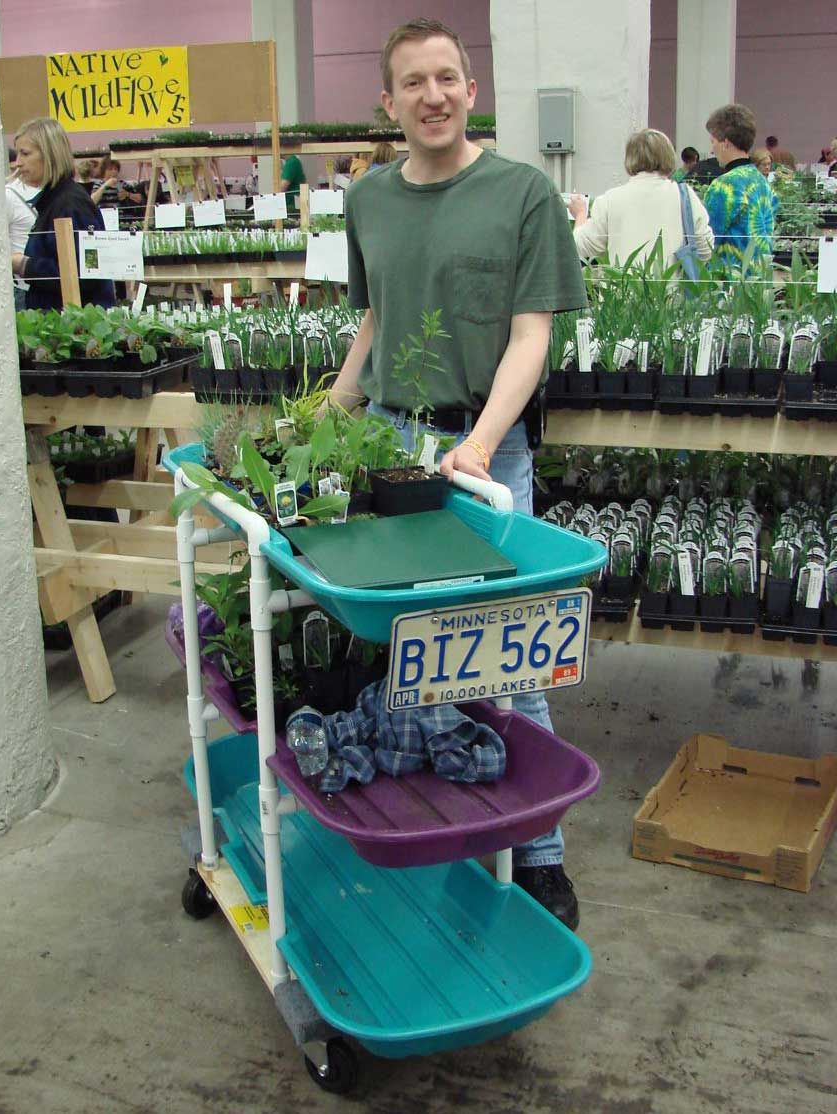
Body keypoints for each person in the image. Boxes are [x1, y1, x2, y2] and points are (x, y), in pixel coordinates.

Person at [331, 18, 588, 929]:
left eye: (447, 78)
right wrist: (332, 408)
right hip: (395, 448)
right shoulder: (367, 199)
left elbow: (533, 334)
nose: (432, 96)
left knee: (510, 657)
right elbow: (375, 320)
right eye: (414, 83)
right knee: (411, 643)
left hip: (486, 456)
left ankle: (543, 857)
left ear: (471, 90)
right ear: (390, 102)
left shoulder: (521, 193)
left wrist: (479, 443)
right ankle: (446, 816)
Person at [569, 129, 714, 269]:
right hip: (672, 292)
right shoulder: (685, 196)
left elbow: (581, 247)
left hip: (623, 290)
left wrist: (580, 214)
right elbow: (705, 250)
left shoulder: (609, 200)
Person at [11, 117, 115, 310]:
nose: (17, 163)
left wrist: (24, 265)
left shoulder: (69, 204)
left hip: (74, 326)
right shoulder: (55, 200)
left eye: (25, 154)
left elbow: (85, 273)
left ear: (50, 155)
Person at [703, 103, 775, 269]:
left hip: (730, 281)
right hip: (757, 280)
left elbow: (708, 241)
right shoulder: (761, 181)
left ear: (725, 143)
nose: (711, 148)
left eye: (712, 141)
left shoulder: (724, 185)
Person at [5, 153, 39, 311]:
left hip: (46, 285)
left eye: (25, 153)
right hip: (22, 287)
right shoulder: (9, 194)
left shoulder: (58, 193)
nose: (19, 163)